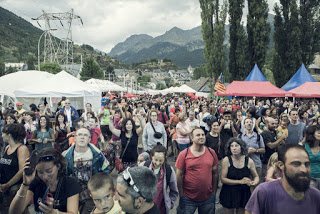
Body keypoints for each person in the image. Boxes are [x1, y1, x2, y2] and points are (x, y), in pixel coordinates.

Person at [245, 144, 320, 214]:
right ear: (281, 165)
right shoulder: (264, 193)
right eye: (296, 164)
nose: (304, 169)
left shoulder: (316, 196)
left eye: (307, 164)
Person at [9, 147, 81, 214]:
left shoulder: (70, 183)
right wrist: (25, 185)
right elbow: (13, 212)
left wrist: (54, 212)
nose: (45, 177)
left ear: (58, 166)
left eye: (49, 171)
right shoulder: (36, 182)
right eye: (40, 172)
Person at [63, 127, 110, 213]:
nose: (82, 137)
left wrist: (101, 188)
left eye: (85, 135)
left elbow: (105, 171)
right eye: (79, 134)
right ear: (75, 138)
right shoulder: (66, 156)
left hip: (91, 192)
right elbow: (62, 175)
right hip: (73, 192)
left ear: (89, 139)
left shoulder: (97, 154)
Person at [175, 128, 219, 214]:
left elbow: (215, 173)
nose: (201, 137)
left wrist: (213, 192)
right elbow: (178, 175)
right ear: (192, 138)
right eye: (198, 135)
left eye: (203, 135)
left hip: (208, 198)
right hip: (188, 198)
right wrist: (181, 194)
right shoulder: (184, 154)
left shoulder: (211, 152)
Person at [219, 138, 259, 214]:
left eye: (236, 146)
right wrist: (240, 181)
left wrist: (254, 182)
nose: (234, 148)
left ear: (241, 147)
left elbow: (256, 176)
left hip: (243, 192)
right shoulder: (226, 160)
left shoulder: (249, 161)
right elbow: (223, 179)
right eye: (232, 146)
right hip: (229, 192)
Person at [0, 123, 29, 213]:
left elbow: (21, 171)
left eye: (3, 133)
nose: (2, 135)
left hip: (15, 188)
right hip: (4, 188)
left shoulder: (22, 149)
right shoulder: (7, 148)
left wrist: (8, 184)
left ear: (9, 135)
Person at [140, 145, 178, 214]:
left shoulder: (169, 170)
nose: (157, 163)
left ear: (165, 158)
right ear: (152, 157)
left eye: (161, 160)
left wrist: (170, 204)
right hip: (143, 208)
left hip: (160, 208)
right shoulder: (143, 166)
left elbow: (174, 190)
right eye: (156, 160)